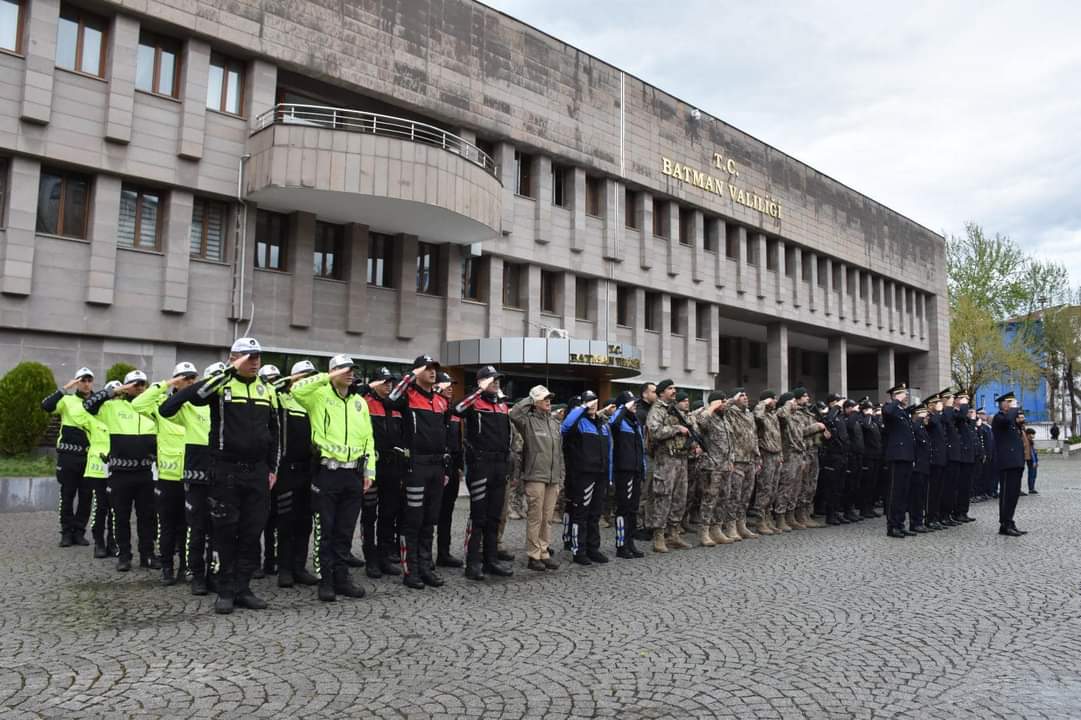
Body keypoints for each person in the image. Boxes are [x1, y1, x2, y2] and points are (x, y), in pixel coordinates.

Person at [159, 337, 279, 614]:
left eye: (258, 356)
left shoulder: (266, 389)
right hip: (225, 471)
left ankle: (243, 588)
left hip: (257, 473)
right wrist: (226, 372)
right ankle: (225, 589)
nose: (255, 361)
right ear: (233, 358)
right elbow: (172, 406)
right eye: (248, 356)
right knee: (225, 533)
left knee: (252, 533)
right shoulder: (220, 385)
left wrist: (273, 468)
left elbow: (275, 433)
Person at [290, 354, 374, 601]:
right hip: (327, 473)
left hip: (354, 474)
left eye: (352, 369)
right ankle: (325, 580)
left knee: (345, 531)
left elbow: (368, 439)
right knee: (325, 530)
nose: (350, 373)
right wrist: (327, 377)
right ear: (332, 372)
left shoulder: (360, 402)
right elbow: (297, 389)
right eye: (344, 369)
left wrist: (370, 472)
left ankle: (342, 578)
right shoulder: (318, 396)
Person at [131, 362, 199, 585]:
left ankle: (185, 568)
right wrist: (167, 384)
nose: (189, 382)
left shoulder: (199, 405)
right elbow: (138, 404)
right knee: (167, 526)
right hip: (168, 479)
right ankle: (167, 567)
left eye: (192, 379)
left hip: (191, 478)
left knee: (187, 527)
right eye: (184, 378)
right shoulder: (162, 405)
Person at [84, 370, 159, 571]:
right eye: (134, 384)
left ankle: (148, 555)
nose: (139, 387)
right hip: (119, 473)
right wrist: (116, 390)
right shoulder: (111, 407)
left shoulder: (153, 406)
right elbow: (88, 406)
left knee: (147, 518)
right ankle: (124, 556)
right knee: (120, 517)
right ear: (126, 387)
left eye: (142, 384)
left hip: (145, 472)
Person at [388, 355, 450, 590]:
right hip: (415, 465)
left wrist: (445, 466)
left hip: (436, 467)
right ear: (417, 372)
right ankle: (410, 570)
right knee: (412, 520)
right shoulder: (407, 395)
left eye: (435, 368)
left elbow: (444, 433)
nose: (433, 372)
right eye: (427, 368)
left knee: (429, 521)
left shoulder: (441, 401)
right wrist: (411, 376)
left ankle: (426, 567)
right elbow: (390, 400)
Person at [160, 362, 219, 595]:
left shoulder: (228, 406)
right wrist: (183, 386)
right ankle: (196, 573)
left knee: (220, 529)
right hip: (196, 475)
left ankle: (214, 573)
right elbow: (165, 408)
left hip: (222, 474)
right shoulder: (190, 406)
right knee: (197, 528)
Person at [453, 366, 514, 579]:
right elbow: (456, 410)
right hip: (480, 465)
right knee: (478, 517)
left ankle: (491, 560)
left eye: (497, 379)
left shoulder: (502, 405)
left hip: (500, 465)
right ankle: (472, 563)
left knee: (494, 517)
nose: (495, 382)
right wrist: (478, 391)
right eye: (490, 379)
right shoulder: (473, 401)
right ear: (480, 382)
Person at [268, 360, 320, 588]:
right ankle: (285, 568)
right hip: (287, 471)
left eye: (312, 376)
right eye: (305, 376)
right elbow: (269, 387)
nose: (310, 380)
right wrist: (290, 380)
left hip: (309, 470)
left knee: (305, 522)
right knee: (286, 521)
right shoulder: (280, 398)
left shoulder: (313, 402)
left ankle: (299, 566)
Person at [510, 385, 564, 571]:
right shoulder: (527, 421)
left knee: (547, 518)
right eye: (543, 398)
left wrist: (560, 476)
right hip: (535, 476)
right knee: (535, 517)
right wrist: (530, 399)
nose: (548, 400)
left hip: (552, 477)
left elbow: (559, 454)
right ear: (535, 401)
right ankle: (534, 556)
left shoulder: (555, 423)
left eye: (549, 397)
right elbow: (514, 413)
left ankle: (544, 552)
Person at [41, 367, 96, 548]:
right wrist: (65, 387)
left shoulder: (99, 402)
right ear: (77, 382)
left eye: (89, 380)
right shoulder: (67, 400)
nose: (86, 384)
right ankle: (66, 532)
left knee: (86, 497)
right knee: (67, 495)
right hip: (68, 457)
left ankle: (79, 532)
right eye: (82, 380)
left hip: (90, 457)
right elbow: (47, 406)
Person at [362, 368, 405, 578]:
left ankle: (384, 557)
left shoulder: (396, 405)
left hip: (392, 467)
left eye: (391, 382)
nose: (389, 385)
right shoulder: (364, 401)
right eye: (384, 382)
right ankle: (370, 559)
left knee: (388, 514)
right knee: (369, 515)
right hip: (371, 467)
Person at [561, 390, 612, 564]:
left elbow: (609, 452)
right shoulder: (578, 422)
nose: (592, 404)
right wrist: (582, 408)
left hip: (601, 474)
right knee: (581, 513)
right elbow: (565, 426)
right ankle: (578, 550)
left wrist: (609, 475)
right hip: (583, 475)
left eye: (594, 401)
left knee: (595, 513)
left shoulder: (603, 424)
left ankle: (593, 548)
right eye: (589, 401)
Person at [646, 380, 692, 552]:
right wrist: (676, 429)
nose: (674, 391)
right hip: (665, 460)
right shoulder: (657, 410)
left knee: (680, 497)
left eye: (674, 388)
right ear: (660, 393)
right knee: (663, 497)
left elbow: (687, 427)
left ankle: (674, 534)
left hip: (681, 458)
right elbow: (655, 431)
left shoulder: (674, 409)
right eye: (670, 388)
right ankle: (659, 537)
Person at [608, 390, 646, 558]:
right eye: (631, 403)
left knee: (633, 509)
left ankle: (630, 542)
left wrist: (642, 469)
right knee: (623, 509)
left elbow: (641, 449)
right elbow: (612, 424)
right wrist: (623, 408)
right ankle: (621, 544)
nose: (635, 405)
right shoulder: (619, 421)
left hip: (636, 470)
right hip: (624, 471)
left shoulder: (635, 422)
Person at [436, 371, 465, 570]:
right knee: (428, 514)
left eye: (451, 385)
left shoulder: (455, 411)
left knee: (447, 512)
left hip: (453, 465)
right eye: (446, 385)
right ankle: (419, 556)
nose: (450, 388)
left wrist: (460, 466)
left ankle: (443, 553)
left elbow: (459, 440)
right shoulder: (432, 408)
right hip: (434, 465)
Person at [723, 388, 761, 540]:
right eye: (742, 395)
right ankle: (730, 526)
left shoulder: (749, 414)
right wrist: (733, 398)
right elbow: (720, 408)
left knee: (746, 495)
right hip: (737, 460)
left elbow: (754, 437)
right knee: (734, 495)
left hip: (750, 460)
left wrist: (758, 457)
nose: (745, 397)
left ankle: (741, 524)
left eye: (746, 395)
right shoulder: (730, 412)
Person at [881, 383, 914, 539]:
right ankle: (892, 526)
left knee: (903, 493)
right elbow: (887, 411)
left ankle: (900, 523)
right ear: (895, 395)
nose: (905, 396)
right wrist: (895, 400)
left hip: (906, 455)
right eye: (902, 394)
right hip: (896, 455)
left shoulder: (902, 412)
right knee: (895, 492)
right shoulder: (890, 408)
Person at [992, 392, 1027, 537]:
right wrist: (1013, 410)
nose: (1014, 405)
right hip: (1006, 463)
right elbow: (1006, 422)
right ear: (1003, 404)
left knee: (1013, 495)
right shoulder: (999, 418)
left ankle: (1010, 521)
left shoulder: (1011, 420)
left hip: (1016, 462)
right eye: (1010, 402)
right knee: (1006, 495)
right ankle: (1004, 524)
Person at [752, 390, 782, 536]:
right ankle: (760, 520)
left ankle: (768, 517)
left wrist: (781, 454)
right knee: (764, 489)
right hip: (766, 455)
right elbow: (757, 415)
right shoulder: (761, 415)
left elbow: (778, 436)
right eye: (773, 399)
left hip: (776, 455)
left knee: (773, 489)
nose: (775, 401)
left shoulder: (773, 415)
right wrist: (763, 403)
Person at [634, 382, 657, 542]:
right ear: (644, 394)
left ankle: (648, 524)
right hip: (644, 456)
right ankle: (638, 526)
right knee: (643, 492)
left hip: (654, 456)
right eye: (653, 392)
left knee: (651, 494)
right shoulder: (640, 412)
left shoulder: (653, 410)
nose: (656, 394)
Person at [924, 394, 948, 530]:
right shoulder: (929, 417)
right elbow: (931, 424)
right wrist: (937, 412)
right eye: (937, 403)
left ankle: (936, 516)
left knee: (939, 490)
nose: (940, 405)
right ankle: (929, 517)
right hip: (933, 458)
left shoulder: (939, 417)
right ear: (931, 405)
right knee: (931, 491)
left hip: (941, 458)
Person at [858, 397, 883, 520]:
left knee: (874, 483)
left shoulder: (873, 421)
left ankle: (870, 507)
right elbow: (866, 427)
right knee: (866, 484)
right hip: (868, 457)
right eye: (868, 409)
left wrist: (875, 417)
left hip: (876, 456)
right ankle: (864, 509)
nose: (871, 411)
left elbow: (881, 428)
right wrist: (868, 415)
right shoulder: (863, 420)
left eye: (871, 409)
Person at [909, 403, 931, 533]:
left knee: (921, 495)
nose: (926, 416)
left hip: (923, 466)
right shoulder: (915, 427)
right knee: (916, 497)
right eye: (924, 413)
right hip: (917, 466)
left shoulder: (922, 427)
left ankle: (919, 521)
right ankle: (915, 522)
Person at [1025, 427, 1038, 495]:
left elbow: (1034, 452)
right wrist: (1034, 461)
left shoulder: (1031, 441)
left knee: (1034, 474)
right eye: (1032, 434)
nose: (1033, 436)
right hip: (1030, 459)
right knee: (1031, 473)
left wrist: (1036, 461)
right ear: (1028, 434)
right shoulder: (1027, 441)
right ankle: (1031, 488)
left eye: (1033, 434)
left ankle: (1032, 487)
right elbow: (1031, 452)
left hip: (1033, 459)